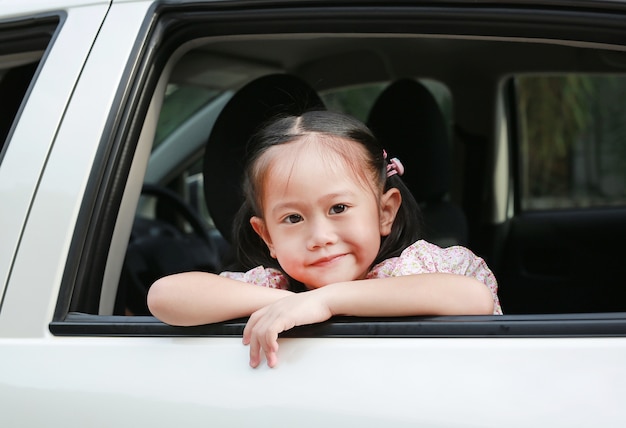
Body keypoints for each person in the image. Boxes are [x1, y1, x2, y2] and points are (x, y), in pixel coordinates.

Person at [148, 110, 502, 368]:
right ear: (267, 235)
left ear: (384, 212)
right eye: (293, 218)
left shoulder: (425, 268)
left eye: (338, 208)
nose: (319, 237)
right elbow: (165, 296)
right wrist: (288, 301)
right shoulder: (275, 287)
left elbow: (473, 298)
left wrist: (326, 302)